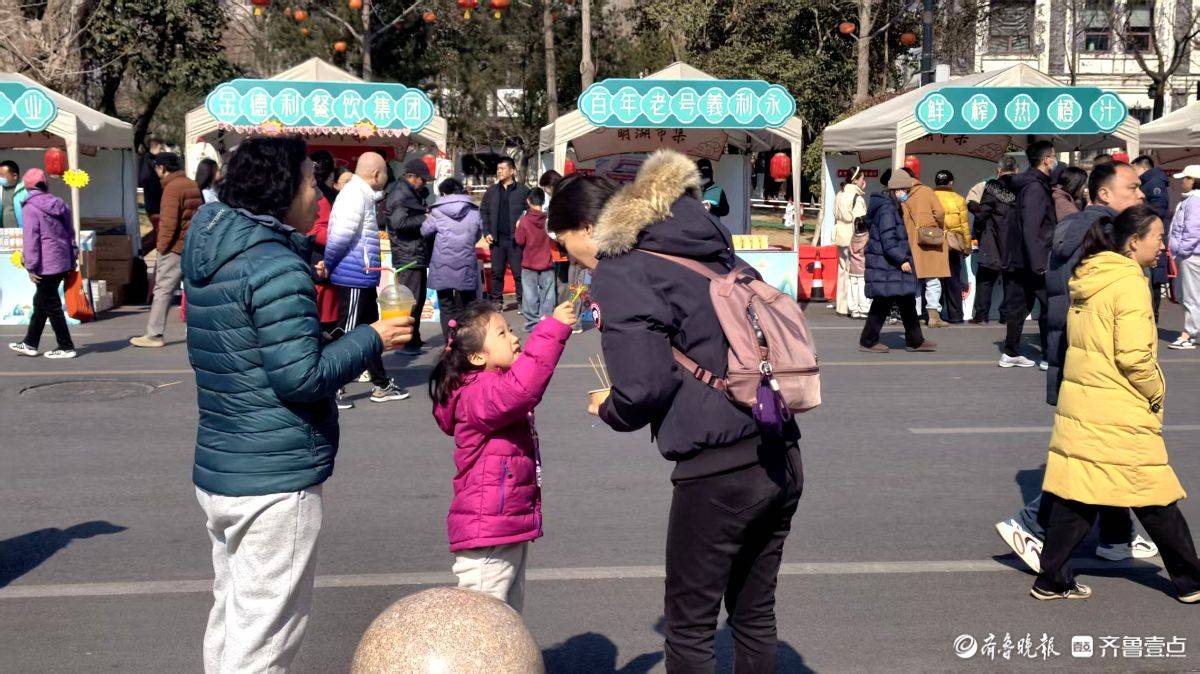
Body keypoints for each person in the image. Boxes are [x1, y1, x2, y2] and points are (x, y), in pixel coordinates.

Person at [549, 152, 804, 671]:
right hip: (779, 446)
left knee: (689, 630)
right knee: (754, 616)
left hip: (718, 472)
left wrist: (610, 408)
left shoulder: (623, 270)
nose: (568, 257)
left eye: (564, 243)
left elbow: (642, 388)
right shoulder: (706, 244)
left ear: (586, 228)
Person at [182, 137, 414, 671]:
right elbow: (302, 377)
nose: (320, 193)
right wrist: (373, 338)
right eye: (312, 182)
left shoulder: (214, 249)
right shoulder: (275, 267)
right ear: (282, 190)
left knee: (233, 615)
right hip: (273, 478)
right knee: (265, 637)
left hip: (222, 467)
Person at [1033, 204, 1200, 603]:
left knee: (1080, 492)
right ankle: (1192, 582)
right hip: (1117, 403)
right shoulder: (1129, 283)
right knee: (1153, 493)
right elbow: (1134, 356)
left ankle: (1051, 579)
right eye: (1158, 237)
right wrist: (1156, 391)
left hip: (1088, 398)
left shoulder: (1092, 275)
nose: (1162, 245)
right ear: (1134, 242)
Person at [995, 162, 1153, 573]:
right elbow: (1097, 307)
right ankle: (1032, 522)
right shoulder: (1103, 235)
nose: (1141, 194)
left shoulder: (1075, 226)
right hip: (1097, 364)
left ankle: (1117, 536)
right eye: (1132, 188)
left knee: (1101, 451)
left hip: (1077, 356)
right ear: (1104, 194)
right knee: (1089, 457)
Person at [431, 299, 575, 612]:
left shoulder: (487, 385)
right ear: (477, 357)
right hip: (488, 530)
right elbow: (522, 388)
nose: (514, 337)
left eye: (510, 329)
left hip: (503, 524)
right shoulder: (478, 392)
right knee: (484, 620)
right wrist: (551, 331)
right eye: (502, 333)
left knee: (506, 619)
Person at [325, 152, 409, 405]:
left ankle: (381, 384)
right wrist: (328, 264)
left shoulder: (362, 195)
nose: (387, 178)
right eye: (386, 173)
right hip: (353, 275)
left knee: (370, 333)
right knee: (347, 332)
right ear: (376, 174)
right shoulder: (354, 195)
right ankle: (330, 387)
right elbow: (340, 236)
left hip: (363, 275)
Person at [859, 171, 936, 353]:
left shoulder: (891, 206)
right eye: (905, 190)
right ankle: (868, 341)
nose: (906, 194)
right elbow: (888, 240)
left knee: (906, 300)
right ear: (896, 190)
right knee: (883, 302)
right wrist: (902, 259)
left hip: (888, 263)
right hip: (888, 263)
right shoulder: (887, 209)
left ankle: (915, 340)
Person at [131, 153, 201, 348]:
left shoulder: (172, 188)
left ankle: (154, 334)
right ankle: (199, 331)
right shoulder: (192, 184)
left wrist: (161, 249)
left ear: (161, 168)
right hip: (193, 245)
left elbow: (168, 224)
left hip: (174, 248)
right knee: (193, 291)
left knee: (163, 290)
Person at [1000, 140, 1057, 369]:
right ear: (1046, 160)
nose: (1055, 161)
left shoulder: (1027, 183)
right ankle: (1048, 355)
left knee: (1020, 306)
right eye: (1054, 156)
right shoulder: (1035, 187)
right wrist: (1039, 264)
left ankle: (1011, 352)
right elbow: (1032, 227)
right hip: (1035, 258)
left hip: (1021, 256)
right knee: (1048, 306)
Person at [8, 168, 77, 359]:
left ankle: (66, 346)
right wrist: (73, 256)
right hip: (62, 260)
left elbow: (31, 240)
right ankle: (30, 343)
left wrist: (30, 266)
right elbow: (70, 233)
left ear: (27, 187)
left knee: (51, 305)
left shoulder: (30, 207)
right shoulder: (60, 204)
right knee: (41, 303)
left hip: (46, 264)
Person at [423, 178, 483, 339]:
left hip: (442, 263)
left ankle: (449, 341)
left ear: (443, 193)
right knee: (468, 305)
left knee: (446, 306)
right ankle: (466, 341)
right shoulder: (474, 211)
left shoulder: (436, 211)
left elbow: (425, 231)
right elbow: (478, 234)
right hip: (466, 262)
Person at [387, 157, 436, 352]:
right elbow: (399, 223)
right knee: (410, 301)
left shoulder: (409, 193)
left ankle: (413, 337)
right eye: (423, 180)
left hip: (415, 252)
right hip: (407, 254)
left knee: (418, 298)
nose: (424, 183)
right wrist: (424, 217)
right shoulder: (400, 194)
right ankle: (406, 341)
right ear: (412, 177)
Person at [968, 156, 1019, 324]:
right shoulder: (1022, 187)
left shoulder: (994, 186)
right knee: (1011, 280)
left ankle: (981, 315)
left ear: (999, 170)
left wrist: (973, 209)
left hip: (993, 240)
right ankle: (1007, 315)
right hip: (1015, 241)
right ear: (1016, 170)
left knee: (985, 279)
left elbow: (982, 213)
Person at [899, 166, 949, 327]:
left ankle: (915, 316)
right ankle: (934, 316)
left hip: (909, 241)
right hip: (929, 240)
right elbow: (940, 213)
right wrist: (935, 226)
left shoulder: (900, 195)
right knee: (933, 278)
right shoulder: (927, 191)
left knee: (914, 281)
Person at [480, 157, 529, 308]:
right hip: (497, 239)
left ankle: (523, 302)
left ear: (512, 170)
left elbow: (530, 210)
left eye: (502, 168)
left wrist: (523, 222)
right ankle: (497, 301)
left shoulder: (523, 191)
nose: (499, 171)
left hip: (516, 239)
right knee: (497, 272)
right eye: (498, 169)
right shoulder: (492, 191)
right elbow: (484, 211)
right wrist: (486, 231)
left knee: (519, 273)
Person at [1133, 155, 1172, 322]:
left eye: (1134, 168)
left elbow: (1159, 208)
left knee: (1153, 281)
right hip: (1148, 235)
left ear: (1142, 167)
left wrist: (1139, 213)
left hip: (1152, 236)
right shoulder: (1147, 182)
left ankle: (1153, 320)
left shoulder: (1154, 183)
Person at [309, 151, 340, 341]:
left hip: (325, 263)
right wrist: (341, 238)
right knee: (324, 324)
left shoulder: (327, 194)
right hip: (320, 262)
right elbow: (316, 229)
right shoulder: (321, 196)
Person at [1168, 165, 1200, 350]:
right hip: (1190, 255)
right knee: (1187, 295)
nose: (1182, 182)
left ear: (1193, 180)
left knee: (1189, 296)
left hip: (1191, 256)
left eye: (1185, 178)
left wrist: (1182, 250)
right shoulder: (1192, 200)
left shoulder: (1194, 201)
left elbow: (1193, 230)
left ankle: (1189, 334)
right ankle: (1194, 333)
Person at [515, 188, 555, 332]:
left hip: (529, 263)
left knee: (530, 296)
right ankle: (546, 322)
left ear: (528, 201)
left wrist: (517, 227)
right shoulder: (549, 219)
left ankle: (532, 324)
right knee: (548, 296)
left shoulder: (524, 221)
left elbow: (519, 241)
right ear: (543, 201)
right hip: (547, 262)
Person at [933, 170, 969, 324]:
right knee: (953, 280)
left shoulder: (930, 197)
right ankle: (956, 315)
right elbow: (964, 226)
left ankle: (935, 314)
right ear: (951, 183)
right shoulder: (959, 199)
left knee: (935, 280)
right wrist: (966, 246)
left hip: (934, 243)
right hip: (953, 245)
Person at [833, 167, 868, 317]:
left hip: (839, 234)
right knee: (854, 272)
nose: (864, 181)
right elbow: (860, 221)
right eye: (862, 179)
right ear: (855, 180)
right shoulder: (857, 198)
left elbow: (835, 214)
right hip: (852, 235)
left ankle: (841, 305)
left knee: (842, 269)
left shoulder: (840, 194)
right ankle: (852, 305)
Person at [846, 208, 871, 319]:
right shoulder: (867, 238)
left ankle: (854, 310)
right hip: (863, 268)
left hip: (853, 268)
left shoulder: (853, 237)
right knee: (862, 289)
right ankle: (864, 310)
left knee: (853, 289)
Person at [138, 137, 165, 220]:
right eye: (161, 148)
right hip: (154, 203)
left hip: (156, 201)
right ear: (156, 147)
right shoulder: (148, 160)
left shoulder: (153, 159)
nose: (162, 150)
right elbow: (144, 178)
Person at [0, 160, 28, 228]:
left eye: (2, 175)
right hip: (3, 233)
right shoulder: (0, 189)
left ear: (15, 176)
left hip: (21, 232)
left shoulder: (26, 191)